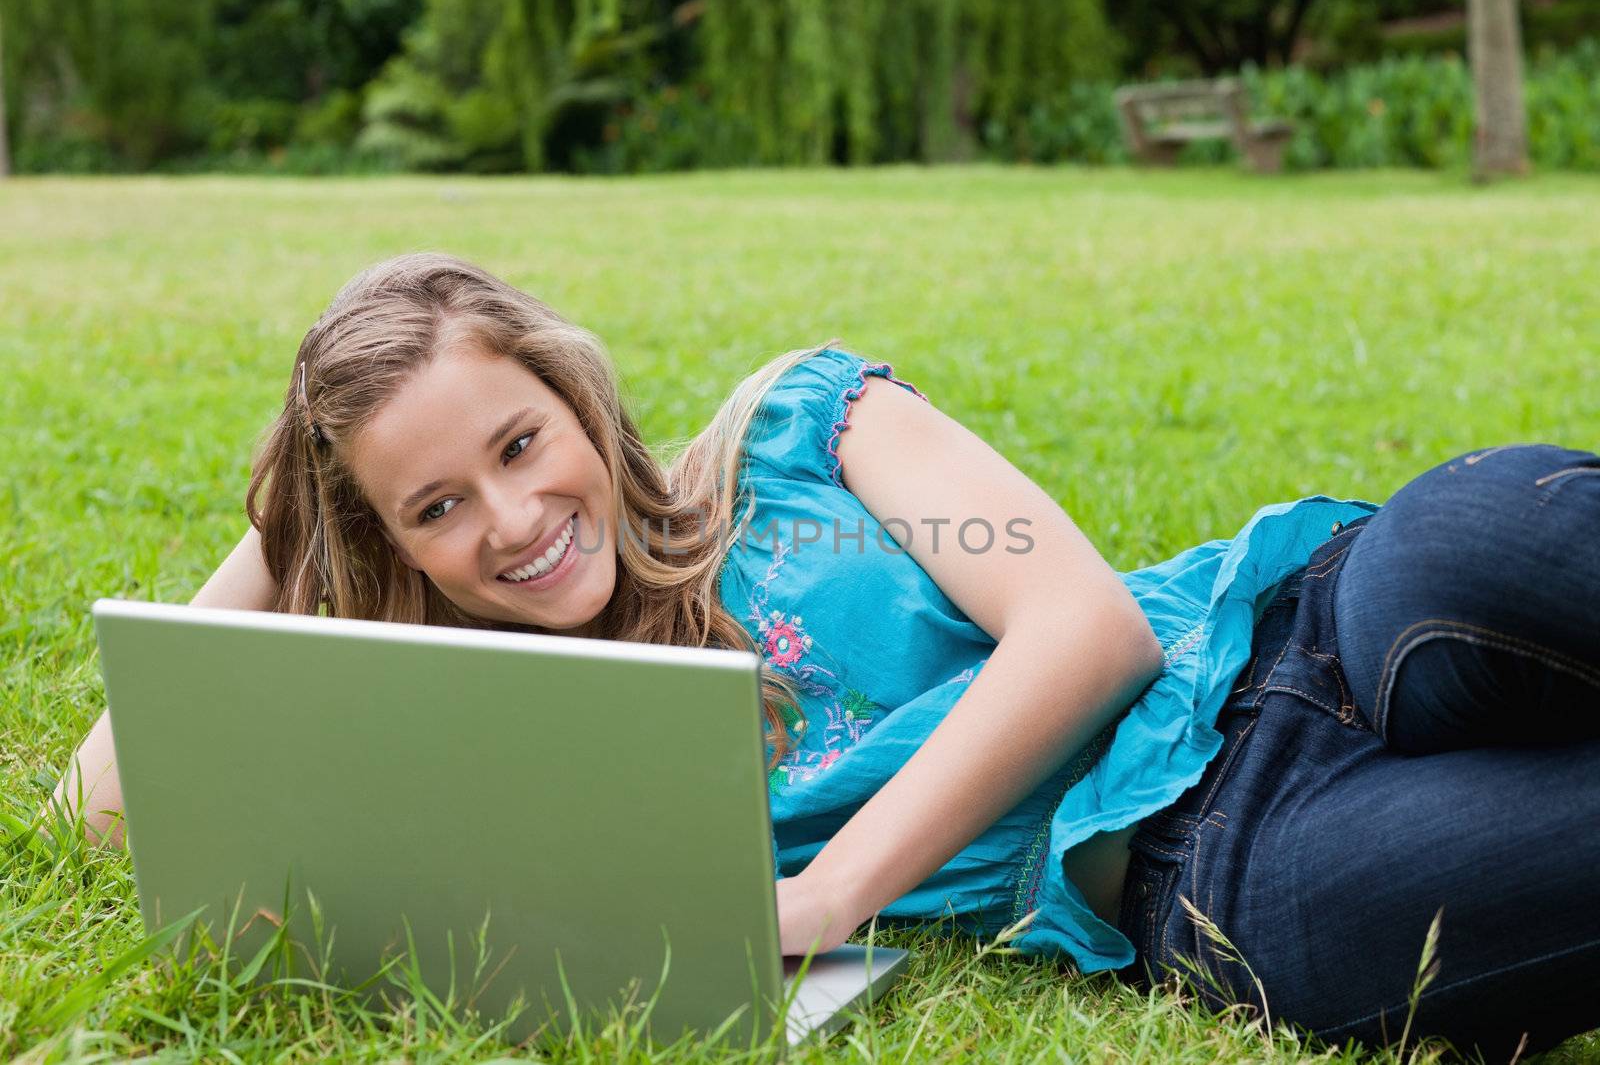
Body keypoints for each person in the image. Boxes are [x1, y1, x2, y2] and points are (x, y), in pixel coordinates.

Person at [54, 253, 1600, 1060]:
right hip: (1212, 868)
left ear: (581, 400)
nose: (517, 520)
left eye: (523, 443)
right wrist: (298, 514)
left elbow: (1087, 627)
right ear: (392, 550)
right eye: (439, 508)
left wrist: (828, 897)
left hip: (1305, 618)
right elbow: (106, 804)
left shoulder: (801, 431)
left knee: (1474, 550)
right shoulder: (514, 737)